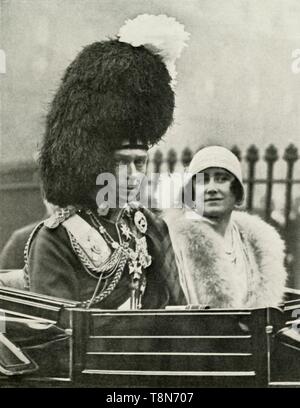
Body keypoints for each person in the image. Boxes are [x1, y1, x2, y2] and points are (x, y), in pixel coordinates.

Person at [22, 15, 189, 309]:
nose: (134, 176)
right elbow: (56, 340)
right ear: (91, 159)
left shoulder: (148, 225)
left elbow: (176, 306)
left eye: (140, 163)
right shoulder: (56, 239)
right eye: (122, 162)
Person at [164, 146, 287, 308]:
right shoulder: (173, 242)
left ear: (237, 191)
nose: (212, 189)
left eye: (221, 179)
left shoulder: (256, 245)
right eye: (203, 180)